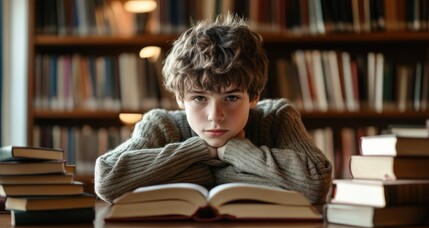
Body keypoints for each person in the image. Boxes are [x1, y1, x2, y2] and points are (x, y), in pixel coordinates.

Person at [94, 13, 332, 204]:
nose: (215, 116)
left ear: (254, 96)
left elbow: (317, 183)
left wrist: (233, 153)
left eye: (230, 98)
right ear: (180, 98)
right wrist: (199, 152)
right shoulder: (160, 124)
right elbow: (107, 179)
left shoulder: (278, 117)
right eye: (199, 98)